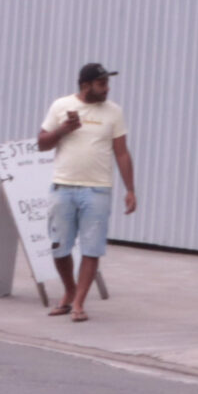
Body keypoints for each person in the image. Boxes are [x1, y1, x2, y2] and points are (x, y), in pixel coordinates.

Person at [35, 62, 137, 322]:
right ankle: (69, 290)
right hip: (63, 186)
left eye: (107, 83)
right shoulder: (61, 106)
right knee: (60, 246)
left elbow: (122, 152)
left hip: (97, 190)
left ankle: (78, 302)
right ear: (86, 85)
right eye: (102, 83)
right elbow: (42, 144)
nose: (107, 89)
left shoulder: (114, 112)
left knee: (92, 248)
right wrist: (63, 130)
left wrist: (130, 189)